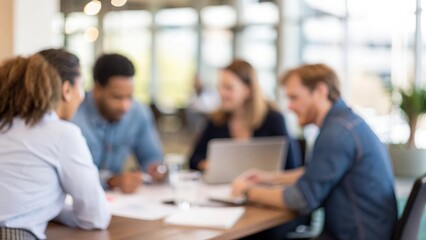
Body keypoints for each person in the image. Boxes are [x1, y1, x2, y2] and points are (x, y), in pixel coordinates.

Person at [232, 64, 398, 239]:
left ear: (320, 91)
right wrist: (270, 177)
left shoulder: (336, 134)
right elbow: (317, 173)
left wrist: (246, 191)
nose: (289, 107)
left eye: (294, 98)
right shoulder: (346, 123)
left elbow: (301, 199)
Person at [0, 50, 110, 240]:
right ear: (66, 90)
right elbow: (96, 217)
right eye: (82, 86)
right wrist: (61, 211)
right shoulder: (62, 134)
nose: (83, 96)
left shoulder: (4, 125)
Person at [72, 53, 165, 194]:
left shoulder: (138, 112)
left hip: (118, 202)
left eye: (129, 96)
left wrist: (155, 168)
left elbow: (151, 157)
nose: (125, 106)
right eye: (117, 97)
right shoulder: (74, 115)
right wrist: (111, 180)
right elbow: (71, 175)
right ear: (97, 89)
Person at [189, 59, 302, 171]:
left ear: (248, 90)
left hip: (264, 187)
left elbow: (292, 165)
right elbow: (194, 160)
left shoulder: (273, 120)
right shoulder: (216, 121)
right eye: (220, 87)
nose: (221, 93)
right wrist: (213, 166)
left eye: (228, 88)